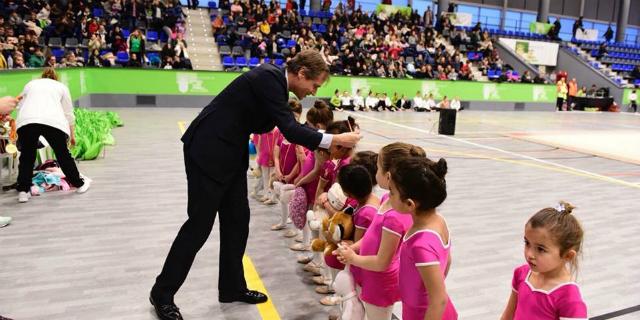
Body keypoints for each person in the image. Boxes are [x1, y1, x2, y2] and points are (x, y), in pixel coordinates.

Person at [150, 50, 361, 320]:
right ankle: (162, 293)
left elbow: (280, 125)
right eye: (314, 85)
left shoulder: (274, 85)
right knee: (199, 226)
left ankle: (231, 286)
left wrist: (326, 138)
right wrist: (334, 139)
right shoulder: (269, 78)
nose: (313, 91)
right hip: (208, 151)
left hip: (229, 152)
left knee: (237, 220)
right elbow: (289, 129)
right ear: (301, 73)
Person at [336, 143, 424, 320]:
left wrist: (353, 258)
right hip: (369, 272)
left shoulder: (395, 215)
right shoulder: (385, 199)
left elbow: (382, 262)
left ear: (389, 176)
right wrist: (354, 248)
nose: (374, 172)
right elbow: (370, 237)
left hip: (380, 281)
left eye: (377, 167)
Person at [389, 157, 458, 320]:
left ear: (410, 204)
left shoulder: (420, 245)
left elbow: (438, 300)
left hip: (425, 313)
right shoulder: (439, 220)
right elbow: (447, 261)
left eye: (392, 192)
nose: (389, 195)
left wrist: (429, 292)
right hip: (429, 308)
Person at [14, 68, 90, 204]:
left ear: (42, 76)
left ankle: (23, 192)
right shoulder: (61, 87)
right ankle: (79, 184)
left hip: (27, 120)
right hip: (53, 121)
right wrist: (72, 135)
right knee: (62, 154)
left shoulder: (30, 84)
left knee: (27, 156)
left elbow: (19, 104)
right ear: (56, 78)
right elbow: (68, 113)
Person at [500, 201, 587, 320]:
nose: (529, 254)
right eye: (527, 243)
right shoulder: (521, 274)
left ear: (567, 256)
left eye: (540, 249)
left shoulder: (569, 299)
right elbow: (508, 316)